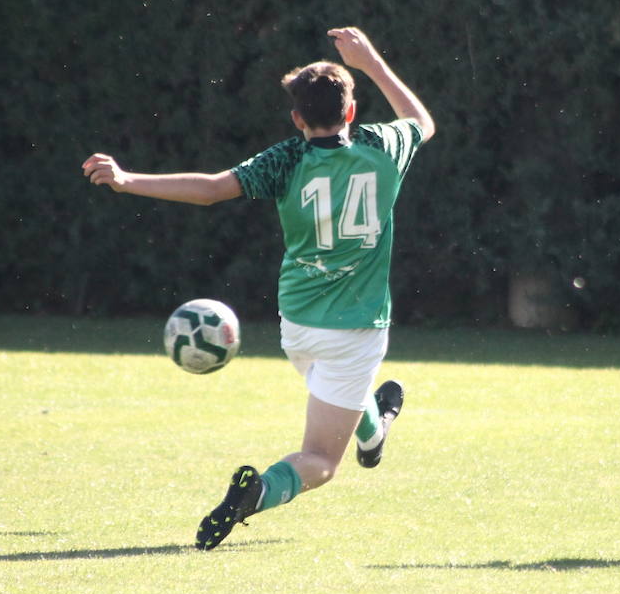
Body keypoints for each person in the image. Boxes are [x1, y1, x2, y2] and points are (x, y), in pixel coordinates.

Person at [82, 27, 435, 550]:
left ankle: (375, 433)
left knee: (341, 393)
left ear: (297, 119)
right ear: (353, 112)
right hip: (357, 329)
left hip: (296, 327)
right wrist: (371, 64)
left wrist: (128, 179)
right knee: (319, 461)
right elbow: (423, 123)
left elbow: (210, 190)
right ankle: (261, 492)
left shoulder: (286, 159)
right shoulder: (383, 145)